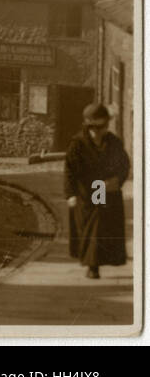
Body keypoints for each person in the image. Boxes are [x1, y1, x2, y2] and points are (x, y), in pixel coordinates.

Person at [65, 103, 130, 279]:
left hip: (104, 187)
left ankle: (94, 265)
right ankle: (92, 265)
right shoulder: (78, 144)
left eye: (100, 127)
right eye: (92, 127)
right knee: (92, 226)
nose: (96, 131)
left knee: (100, 226)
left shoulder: (114, 143)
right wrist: (70, 194)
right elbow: (70, 171)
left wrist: (117, 180)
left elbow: (124, 165)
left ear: (106, 125)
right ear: (87, 126)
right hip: (86, 190)